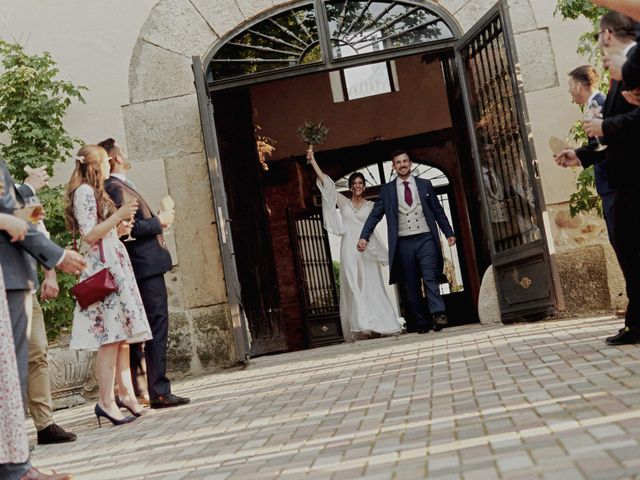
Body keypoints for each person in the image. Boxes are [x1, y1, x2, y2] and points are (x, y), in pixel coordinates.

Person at [555, 12, 640, 345]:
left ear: (607, 34)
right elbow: (614, 134)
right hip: (624, 178)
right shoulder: (620, 74)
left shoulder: (630, 69)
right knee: (630, 253)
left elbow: (622, 125)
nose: (602, 62)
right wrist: (580, 154)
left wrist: (606, 126)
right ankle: (636, 322)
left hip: (629, 179)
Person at [64, 145, 153, 425]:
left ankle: (126, 394)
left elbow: (102, 230)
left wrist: (119, 228)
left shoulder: (95, 191)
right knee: (110, 337)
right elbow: (89, 234)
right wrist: (118, 215)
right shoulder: (84, 192)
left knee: (122, 335)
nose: (108, 167)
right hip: (103, 269)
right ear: (94, 166)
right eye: (104, 163)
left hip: (114, 261)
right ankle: (105, 400)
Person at [100, 137, 190, 409]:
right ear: (115, 158)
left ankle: (141, 391)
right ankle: (158, 390)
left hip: (144, 264)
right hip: (143, 265)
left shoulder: (121, 185)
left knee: (143, 327)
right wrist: (159, 221)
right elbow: (130, 229)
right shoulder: (115, 187)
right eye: (123, 151)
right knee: (154, 325)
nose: (127, 154)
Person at [1, 172, 77, 480]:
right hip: (8, 279)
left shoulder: (25, 193)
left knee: (33, 359)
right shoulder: (21, 189)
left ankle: (22, 458)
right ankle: (18, 466)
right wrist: (57, 257)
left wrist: (50, 271)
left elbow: (32, 221)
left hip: (21, 277)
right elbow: (12, 215)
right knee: (11, 375)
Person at [307, 149, 403, 342]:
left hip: (366, 247)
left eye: (360, 183)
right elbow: (327, 186)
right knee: (354, 284)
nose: (357, 186)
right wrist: (313, 161)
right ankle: (363, 324)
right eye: (354, 183)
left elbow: (375, 225)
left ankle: (380, 323)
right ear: (350, 187)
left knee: (371, 284)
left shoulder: (370, 206)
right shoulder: (343, 203)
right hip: (348, 247)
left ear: (364, 186)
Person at [358, 150, 456, 334]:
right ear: (393, 166)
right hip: (403, 242)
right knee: (411, 284)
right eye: (398, 162)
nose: (402, 165)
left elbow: (437, 211)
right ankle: (422, 321)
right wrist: (364, 236)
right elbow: (375, 215)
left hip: (425, 237)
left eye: (405, 161)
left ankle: (438, 314)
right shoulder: (387, 190)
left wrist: (448, 232)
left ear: (410, 163)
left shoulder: (425, 185)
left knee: (430, 276)